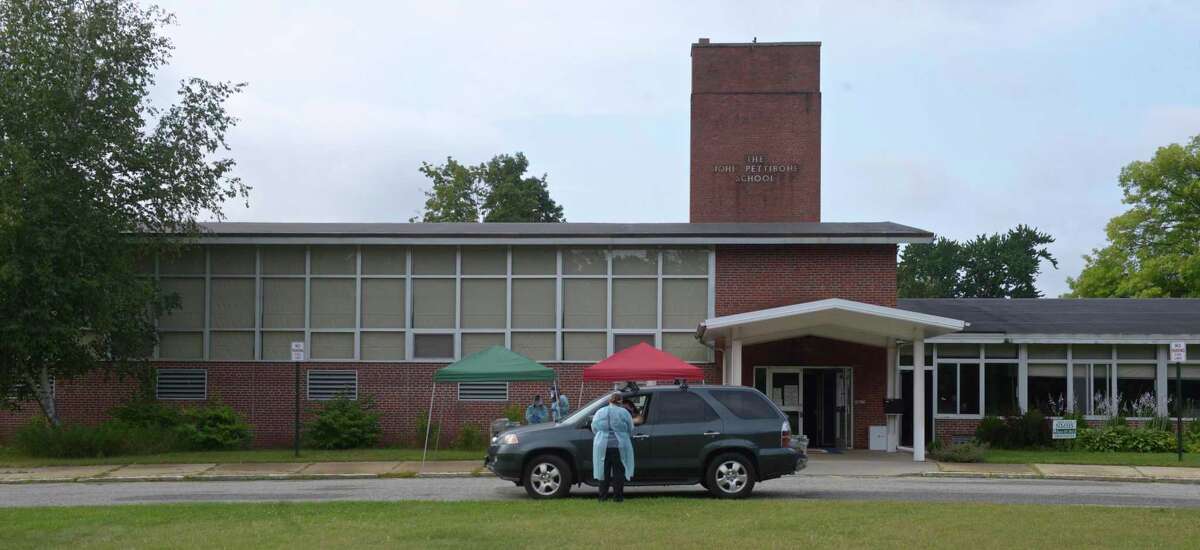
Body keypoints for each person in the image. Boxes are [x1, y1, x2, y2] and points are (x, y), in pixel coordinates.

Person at [591, 393, 635, 502]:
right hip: (619, 446)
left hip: (602, 446)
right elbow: (630, 428)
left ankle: (602, 497)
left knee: (603, 471)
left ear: (609, 401)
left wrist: (602, 434)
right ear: (620, 401)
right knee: (618, 472)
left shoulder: (600, 412)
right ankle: (618, 497)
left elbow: (594, 427)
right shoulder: (624, 412)